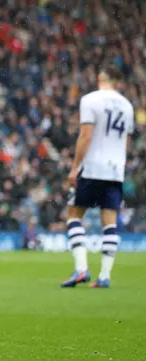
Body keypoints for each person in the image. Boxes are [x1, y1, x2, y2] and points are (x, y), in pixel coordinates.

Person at [61, 67, 135, 289]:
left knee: (74, 215)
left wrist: (75, 168)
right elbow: (126, 142)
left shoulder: (90, 100)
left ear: (101, 77)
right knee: (109, 220)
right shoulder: (127, 106)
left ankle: (81, 269)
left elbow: (86, 136)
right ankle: (104, 276)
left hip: (93, 167)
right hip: (115, 170)